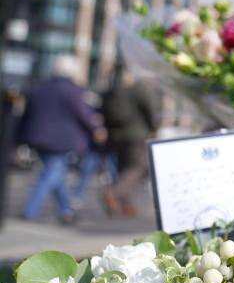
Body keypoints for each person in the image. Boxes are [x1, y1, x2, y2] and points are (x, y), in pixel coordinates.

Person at [18, 55, 105, 224]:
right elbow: (84, 115)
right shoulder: (72, 91)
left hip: (37, 138)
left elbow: (27, 114)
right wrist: (97, 129)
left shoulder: (39, 88)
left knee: (55, 173)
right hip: (60, 140)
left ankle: (65, 210)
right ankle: (30, 210)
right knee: (51, 174)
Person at [100, 72, 160, 217]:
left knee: (123, 171)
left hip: (116, 136)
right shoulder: (140, 90)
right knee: (137, 168)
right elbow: (150, 111)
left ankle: (127, 207)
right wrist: (154, 128)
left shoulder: (111, 91)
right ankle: (112, 193)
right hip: (136, 135)